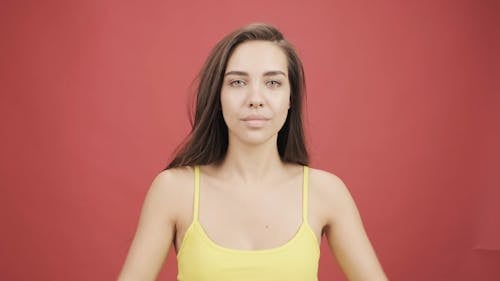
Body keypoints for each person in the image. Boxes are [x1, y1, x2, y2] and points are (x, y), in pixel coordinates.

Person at [117, 23, 388, 281]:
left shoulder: (326, 192)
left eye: (273, 83)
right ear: (217, 95)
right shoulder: (174, 189)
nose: (255, 99)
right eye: (237, 83)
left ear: (291, 97)